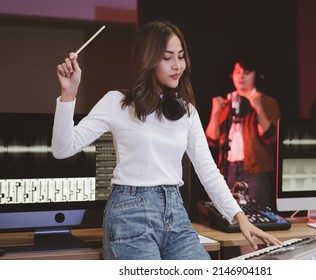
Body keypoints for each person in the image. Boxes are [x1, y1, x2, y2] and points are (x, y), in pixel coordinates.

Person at [52, 21, 282, 260]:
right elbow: (63, 148)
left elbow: (208, 171)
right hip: (130, 215)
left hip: (176, 213)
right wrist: (69, 94)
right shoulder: (117, 102)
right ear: (149, 60)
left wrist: (240, 218)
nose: (177, 66)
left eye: (181, 57)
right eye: (167, 57)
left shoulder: (187, 112)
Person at [205, 54, 280, 208]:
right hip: (227, 169)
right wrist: (216, 112)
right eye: (238, 72)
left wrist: (258, 107)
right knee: (226, 216)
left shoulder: (266, 102)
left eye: (247, 72)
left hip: (255, 171)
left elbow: (270, 137)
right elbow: (211, 140)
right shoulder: (226, 102)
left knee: (255, 214)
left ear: (256, 75)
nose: (241, 76)